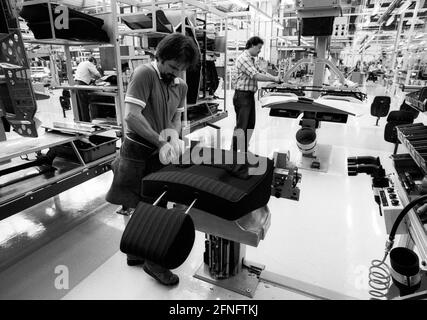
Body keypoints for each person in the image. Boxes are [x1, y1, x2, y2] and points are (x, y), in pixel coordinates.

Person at [105, 33, 200, 286]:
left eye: (181, 69)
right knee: (146, 204)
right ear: (160, 57)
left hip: (161, 150)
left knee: (154, 202)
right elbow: (132, 117)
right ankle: (155, 263)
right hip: (138, 151)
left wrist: (174, 138)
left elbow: (177, 117)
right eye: (172, 66)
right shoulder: (144, 74)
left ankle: (137, 252)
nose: (176, 73)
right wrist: (160, 140)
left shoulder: (181, 85)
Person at [231, 36, 282, 152]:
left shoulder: (252, 59)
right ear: (252, 45)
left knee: (250, 124)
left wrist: (275, 78)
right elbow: (255, 75)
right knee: (241, 126)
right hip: (242, 96)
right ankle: (233, 151)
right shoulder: (243, 58)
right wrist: (274, 79)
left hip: (248, 96)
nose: (259, 51)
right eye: (259, 48)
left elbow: (261, 72)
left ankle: (243, 149)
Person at [74, 56, 102, 121]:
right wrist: (103, 77)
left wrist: (92, 80)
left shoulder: (82, 63)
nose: (94, 66)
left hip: (77, 84)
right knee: (84, 104)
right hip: (82, 86)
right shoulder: (89, 63)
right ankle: (86, 121)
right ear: (93, 62)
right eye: (94, 65)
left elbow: (85, 75)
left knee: (79, 105)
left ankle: (80, 120)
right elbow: (97, 73)